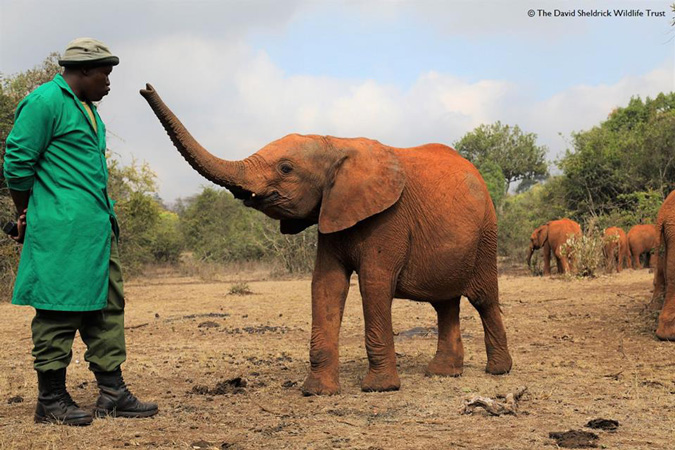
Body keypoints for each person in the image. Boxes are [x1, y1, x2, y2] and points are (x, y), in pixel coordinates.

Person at [3, 37, 157, 425]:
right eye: (105, 73)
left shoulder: (86, 109)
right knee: (58, 311)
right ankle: (51, 400)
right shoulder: (44, 102)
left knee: (106, 308)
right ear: (84, 71)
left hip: (96, 231)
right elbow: (17, 162)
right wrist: (25, 213)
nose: (108, 81)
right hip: (61, 232)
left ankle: (112, 393)